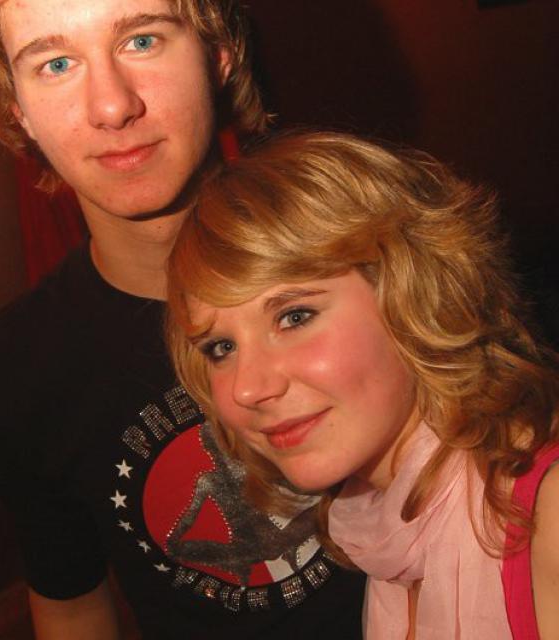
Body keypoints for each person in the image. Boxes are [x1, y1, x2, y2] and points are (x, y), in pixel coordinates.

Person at [0, 1, 366, 638]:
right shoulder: (9, 367)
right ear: (18, 110)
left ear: (218, 55)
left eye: (142, 40)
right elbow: (71, 601)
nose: (112, 106)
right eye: (56, 63)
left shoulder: (363, 253)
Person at [166, 131, 559, 639]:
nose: (248, 388)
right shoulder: (382, 532)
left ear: (410, 293)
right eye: (221, 348)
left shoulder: (547, 517)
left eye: (294, 316)